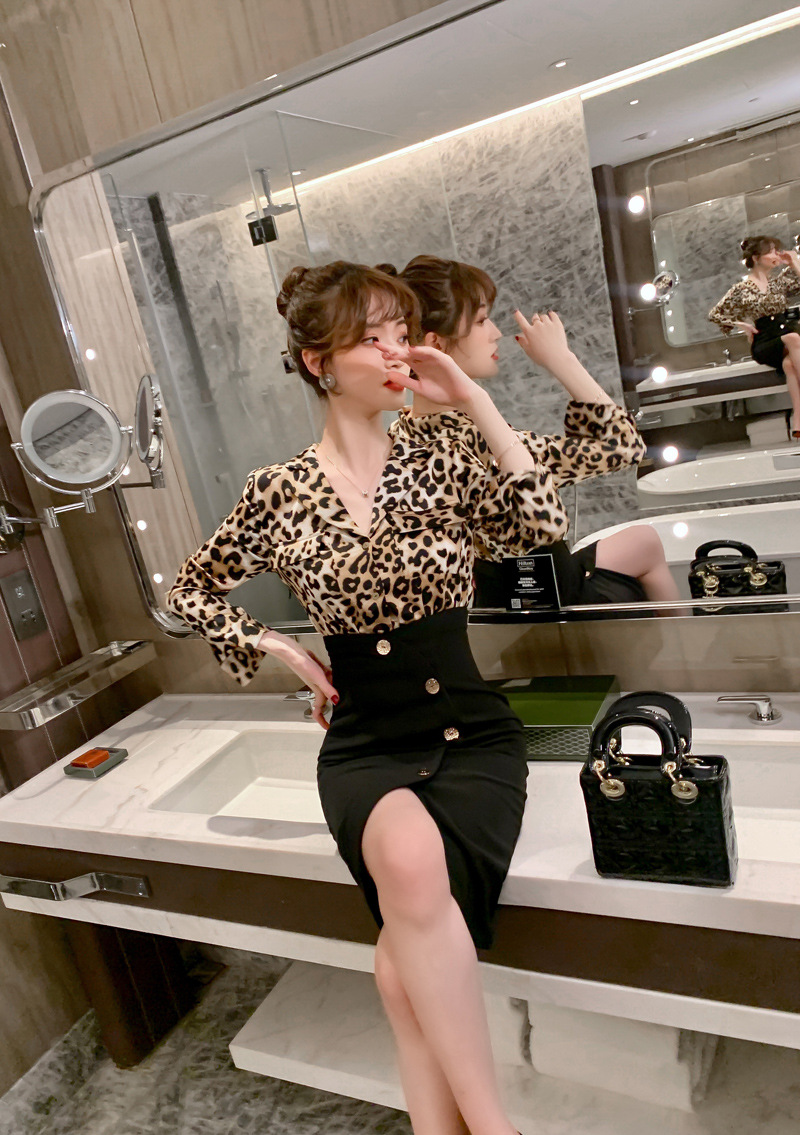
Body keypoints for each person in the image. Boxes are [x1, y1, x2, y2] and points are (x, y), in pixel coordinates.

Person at [168, 260, 570, 1135]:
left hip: (468, 731)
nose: (397, 351)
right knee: (411, 869)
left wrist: (474, 399)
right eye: (373, 337)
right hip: (365, 742)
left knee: (398, 969)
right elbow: (188, 590)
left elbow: (542, 524)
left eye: (403, 332)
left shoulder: (441, 455)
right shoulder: (277, 491)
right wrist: (277, 646)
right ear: (319, 362)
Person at [392, 255, 680, 608]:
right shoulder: (478, 442)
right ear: (436, 345)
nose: (496, 332)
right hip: (544, 605)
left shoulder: (404, 432)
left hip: (495, 601)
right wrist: (561, 359)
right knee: (646, 542)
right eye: (481, 321)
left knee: (641, 541)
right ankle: (686, 642)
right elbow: (622, 445)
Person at [708, 235, 800, 438]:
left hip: (788, 333)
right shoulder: (741, 289)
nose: (776, 255)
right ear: (756, 258)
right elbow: (715, 314)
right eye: (770, 251)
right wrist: (741, 324)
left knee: (789, 365)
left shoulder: (779, 282)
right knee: (793, 339)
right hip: (766, 340)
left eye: (776, 250)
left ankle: (798, 421)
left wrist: (794, 262)